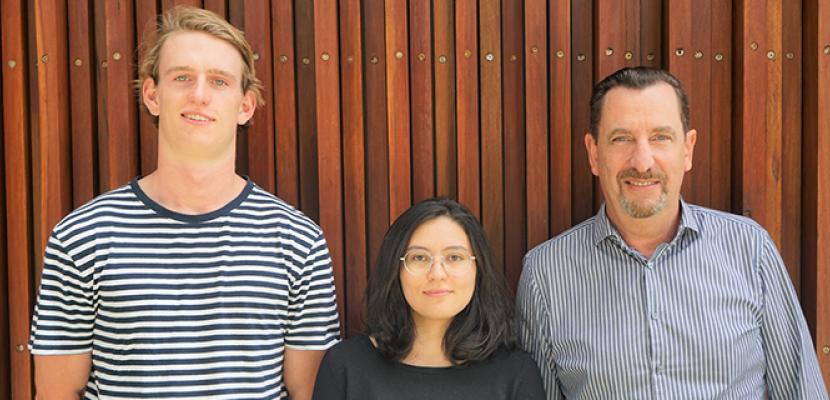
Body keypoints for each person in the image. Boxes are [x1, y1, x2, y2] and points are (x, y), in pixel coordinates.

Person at [28, 6, 339, 399]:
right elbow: (55, 393)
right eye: (182, 77)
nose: (199, 95)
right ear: (152, 95)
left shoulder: (298, 241)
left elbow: (308, 393)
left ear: (245, 106)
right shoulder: (82, 236)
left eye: (219, 81)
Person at [516, 67, 828, 399]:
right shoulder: (545, 274)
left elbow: (802, 392)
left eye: (660, 137)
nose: (642, 162)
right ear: (594, 153)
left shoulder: (749, 249)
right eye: (621, 138)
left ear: (688, 148)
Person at [312, 198, 545, 400]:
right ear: (395, 269)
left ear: (479, 269)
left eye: (454, 257)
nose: (437, 273)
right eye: (419, 258)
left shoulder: (515, 373)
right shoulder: (346, 366)